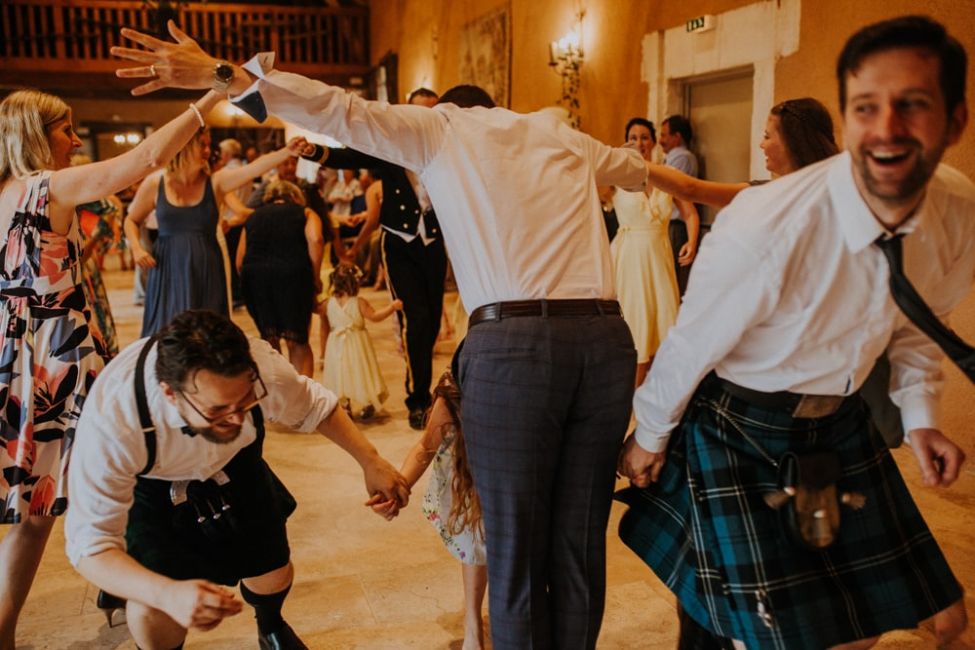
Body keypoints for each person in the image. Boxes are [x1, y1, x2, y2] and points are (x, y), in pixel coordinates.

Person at [619, 15, 971, 649]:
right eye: (867, 107)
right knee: (737, 615)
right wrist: (650, 433)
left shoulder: (957, 212)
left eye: (913, 106)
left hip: (839, 422)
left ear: (955, 121)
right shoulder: (769, 219)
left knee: (850, 616)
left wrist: (919, 413)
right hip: (738, 422)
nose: (886, 129)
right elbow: (694, 340)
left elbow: (921, 322)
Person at [0, 81, 225, 650]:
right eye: (65, 131)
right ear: (34, 137)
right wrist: (212, 98)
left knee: (44, 499)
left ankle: (109, 585)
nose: (75, 141)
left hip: (15, 357)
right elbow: (146, 158)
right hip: (59, 357)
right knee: (71, 495)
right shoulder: (46, 187)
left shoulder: (4, 194)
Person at [65, 309, 410, 650]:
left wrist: (371, 460)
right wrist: (166, 591)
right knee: (155, 607)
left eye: (245, 402)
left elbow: (313, 406)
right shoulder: (114, 422)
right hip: (152, 484)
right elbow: (89, 546)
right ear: (171, 394)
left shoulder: (262, 368)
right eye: (216, 410)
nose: (234, 418)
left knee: (272, 562)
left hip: (236, 463)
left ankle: (271, 624)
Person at [301, 87, 448, 430]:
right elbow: (352, 155)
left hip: (436, 242)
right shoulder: (389, 146)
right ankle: (418, 398)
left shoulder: (446, 149)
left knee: (433, 320)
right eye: (418, 112)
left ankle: (434, 388)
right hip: (399, 243)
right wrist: (315, 151)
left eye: (431, 112)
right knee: (416, 319)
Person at [124, 129, 307, 337]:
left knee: (208, 334)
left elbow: (253, 169)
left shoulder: (216, 182)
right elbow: (131, 220)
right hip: (167, 267)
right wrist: (137, 249)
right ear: (183, 146)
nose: (208, 151)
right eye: (202, 144)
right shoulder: (155, 183)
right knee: (166, 332)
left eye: (208, 145)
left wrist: (286, 152)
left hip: (205, 268)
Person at [375, 369, 487, 650]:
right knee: (476, 545)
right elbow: (426, 445)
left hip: (517, 477)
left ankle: (506, 615)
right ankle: (473, 623)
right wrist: (399, 488)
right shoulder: (460, 385)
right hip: (469, 485)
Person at [641, 97, 839, 207]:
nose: (762, 145)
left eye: (767, 136)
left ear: (792, 142)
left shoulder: (833, 195)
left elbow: (691, 189)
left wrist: (633, 163)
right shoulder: (766, 190)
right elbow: (690, 189)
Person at [612, 117, 683, 388]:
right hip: (630, 258)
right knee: (636, 321)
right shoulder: (616, 177)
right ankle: (627, 395)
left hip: (659, 255)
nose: (639, 142)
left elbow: (688, 206)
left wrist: (692, 241)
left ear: (653, 142)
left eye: (644, 137)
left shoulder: (667, 175)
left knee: (661, 320)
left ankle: (655, 391)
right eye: (633, 137)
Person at [237, 179, 324, 377]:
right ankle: (302, 396)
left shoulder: (252, 217)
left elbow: (240, 261)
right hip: (293, 276)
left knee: (270, 339)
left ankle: (279, 396)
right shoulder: (306, 212)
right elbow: (316, 239)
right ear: (294, 196)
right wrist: (315, 277)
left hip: (255, 278)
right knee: (298, 340)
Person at [321, 263, 402, 419]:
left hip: (336, 346)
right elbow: (375, 316)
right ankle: (368, 402)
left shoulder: (327, 304)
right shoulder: (359, 302)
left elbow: (322, 323)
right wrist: (392, 307)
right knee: (361, 372)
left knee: (341, 374)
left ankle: (345, 406)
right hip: (357, 344)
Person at [658, 114, 701, 295]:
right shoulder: (672, 158)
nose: (661, 141)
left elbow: (670, 187)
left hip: (677, 225)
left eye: (665, 135)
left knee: (674, 275)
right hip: (671, 225)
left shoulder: (681, 158)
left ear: (677, 137)